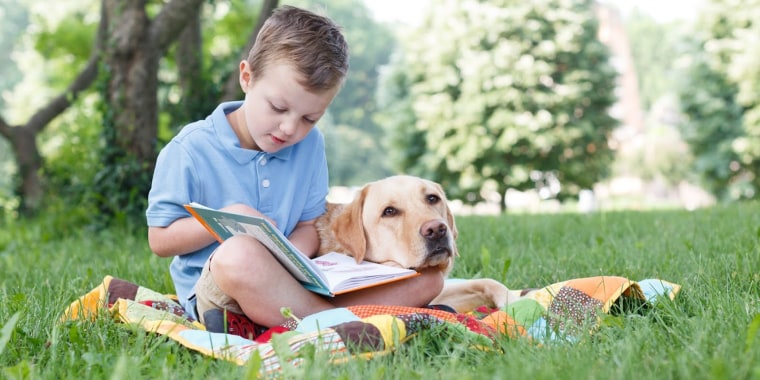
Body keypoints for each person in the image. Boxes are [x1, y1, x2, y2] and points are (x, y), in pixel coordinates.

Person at [145, 5, 444, 330]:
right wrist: (229, 219)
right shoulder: (190, 149)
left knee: (429, 280)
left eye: (309, 118)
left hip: (292, 284)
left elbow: (308, 224)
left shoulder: (310, 144)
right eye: (278, 107)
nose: (290, 129)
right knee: (239, 253)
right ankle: (327, 321)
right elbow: (160, 240)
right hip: (219, 290)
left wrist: (294, 259)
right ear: (246, 77)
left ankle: (319, 314)